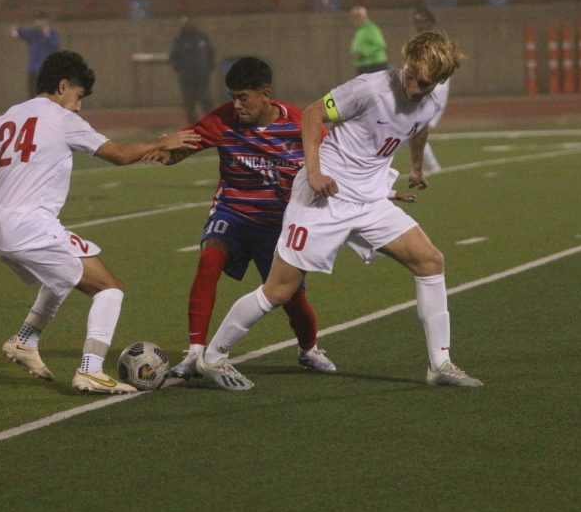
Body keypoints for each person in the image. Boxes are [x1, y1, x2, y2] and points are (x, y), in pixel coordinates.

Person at [195, 31, 482, 391]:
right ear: (405, 63)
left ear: (439, 81)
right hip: (324, 196)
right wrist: (314, 172)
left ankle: (440, 364)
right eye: (410, 76)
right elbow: (313, 114)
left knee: (430, 260)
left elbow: (418, 124)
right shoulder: (370, 88)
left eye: (423, 84)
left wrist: (417, 165)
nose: (412, 88)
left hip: (369, 200)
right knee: (280, 289)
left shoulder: (432, 99)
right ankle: (214, 356)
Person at [0, 50, 200, 394]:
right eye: (79, 96)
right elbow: (118, 155)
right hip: (31, 227)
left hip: (1, 230)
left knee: (60, 278)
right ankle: (90, 370)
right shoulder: (60, 118)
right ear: (62, 86)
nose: (79, 106)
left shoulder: (6, 119)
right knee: (109, 288)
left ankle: (25, 341)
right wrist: (162, 142)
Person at [144, 57, 337, 380]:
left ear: (265, 94)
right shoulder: (224, 119)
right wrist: (169, 153)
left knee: (291, 298)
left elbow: (338, 157)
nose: (236, 104)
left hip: (278, 223)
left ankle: (308, 349)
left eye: (242, 97)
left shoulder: (300, 124)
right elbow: (188, 142)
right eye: (232, 96)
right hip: (232, 212)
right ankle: (194, 353)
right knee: (208, 260)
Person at [412, 6, 449, 175]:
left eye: (423, 21)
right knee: (414, 128)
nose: (419, 24)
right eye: (417, 21)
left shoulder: (435, 41)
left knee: (416, 127)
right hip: (427, 84)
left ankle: (432, 166)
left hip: (435, 86)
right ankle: (431, 166)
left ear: (431, 22)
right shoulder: (418, 40)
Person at [169, 17, 216, 124]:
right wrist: (182, 71)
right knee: (189, 104)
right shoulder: (180, 40)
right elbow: (173, 58)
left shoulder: (202, 38)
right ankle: (194, 125)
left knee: (207, 102)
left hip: (202, 77)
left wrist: (208, 68)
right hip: (187, 79)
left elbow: (211, 53)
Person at [10, 12, 61, 99]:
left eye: (42, 20)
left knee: (47, 93)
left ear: (46, 21)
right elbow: (18, 33)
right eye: (38, 20)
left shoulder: (53, 34)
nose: (40, 23)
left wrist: (47, 35)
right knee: (32, 92)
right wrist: (14, 30)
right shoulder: (33, 34)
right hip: (33, 68)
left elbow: (55, 46)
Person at [349, 6, 388, 75]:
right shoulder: (360, 30)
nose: (354, 19)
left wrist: (363, 53)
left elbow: (380, 44)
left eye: (357, 16)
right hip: (364, 66)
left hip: (373, 66)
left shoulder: (371, 29)